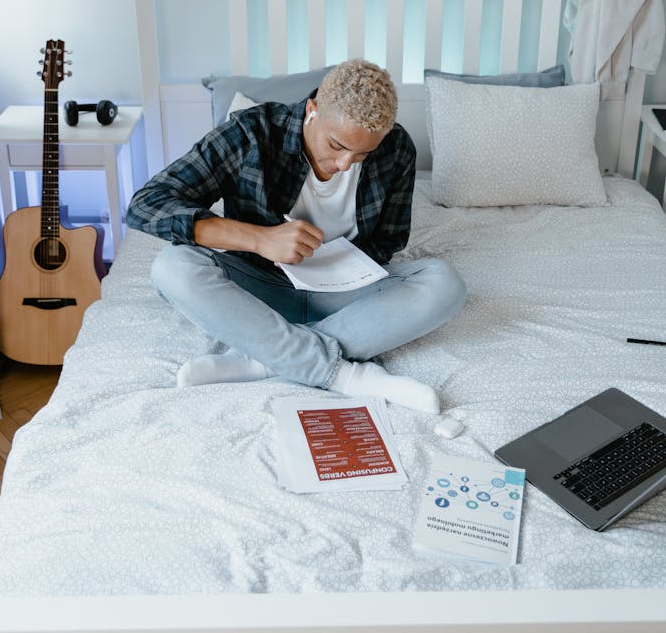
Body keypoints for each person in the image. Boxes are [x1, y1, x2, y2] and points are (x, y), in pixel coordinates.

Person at [126, 59, 466, 412]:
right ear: (312, 110)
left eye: (363, 154)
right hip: (259, 285)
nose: (346, 164)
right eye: (336, 145)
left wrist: (339, 266)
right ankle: (344, 377)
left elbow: (389, 241)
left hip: (344, 293)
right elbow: (147, 205)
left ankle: (262, 358)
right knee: (172, 267)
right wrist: (260, 239)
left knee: (444, 282)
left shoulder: (396, 149)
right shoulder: (251, 133)